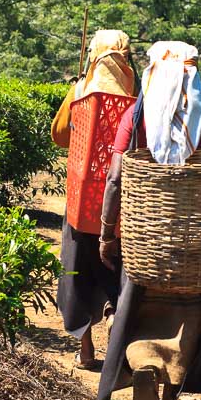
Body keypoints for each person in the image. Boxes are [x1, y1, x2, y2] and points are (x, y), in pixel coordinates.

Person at [94, 41, 201, 400]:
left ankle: (143, 366)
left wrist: (108, 233)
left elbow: (114, 180)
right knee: (192, 314)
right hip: (200, 244)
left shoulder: (135, 118)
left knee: (137, 309)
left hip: (145, 240)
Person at [52, 29, 137, 370]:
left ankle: (85, 350)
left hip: (81, 202)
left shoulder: (81, 90)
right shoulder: (137, 95)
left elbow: (59, 136)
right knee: (115, 271)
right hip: (121, 204)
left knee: (76, 271)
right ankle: (116, 323)